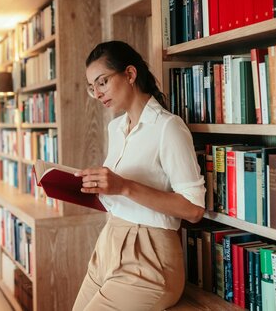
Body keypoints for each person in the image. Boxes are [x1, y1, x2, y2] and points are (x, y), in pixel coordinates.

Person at [72, 41, 206, 311]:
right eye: (92, 87)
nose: (97, 93)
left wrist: (124, 187)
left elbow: (193, 210)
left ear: (130, 74)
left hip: (151, 260)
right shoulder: (116, 127)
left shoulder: (168, 128)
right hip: (109, 244)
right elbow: (120, 193)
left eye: (102, 82)